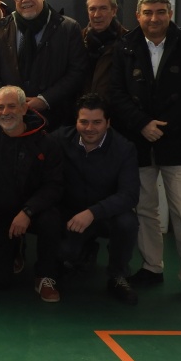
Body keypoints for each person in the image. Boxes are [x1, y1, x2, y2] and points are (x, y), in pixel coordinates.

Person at [109, 0, 181, 306]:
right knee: (145, 209)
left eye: (160, 12)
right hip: (138, 141)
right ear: (138, 16)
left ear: (170, 13)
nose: (154, 18)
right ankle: (152, 267)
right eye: (148, 12)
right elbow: (116, 93)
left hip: (178, 141)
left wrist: (161, 126)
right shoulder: (123, 47)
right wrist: (142, 125)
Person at [0, 85, 67, 301]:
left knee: (52, 219)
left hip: (34, 211)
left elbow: (54, 185)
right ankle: (14, 250)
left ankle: (45, 277)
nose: (5, 112)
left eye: (11, 106)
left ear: (24, 108)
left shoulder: (46, 143)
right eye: (0, 107)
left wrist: (28, 211)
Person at [57, 92, 141, 306]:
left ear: (108, 123)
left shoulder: (125, 149)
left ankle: (117, 276)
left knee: (127, 222)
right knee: (64, 251)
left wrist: (93, 212)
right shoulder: (60, 139)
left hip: (105, 215)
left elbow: (129, 195)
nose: (89, 128)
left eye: (97, 122)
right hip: (71, 214)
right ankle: (81, 252)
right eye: (83, 122)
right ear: (76, 121)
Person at [0, 0, 88, 131]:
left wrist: (45, 100)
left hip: (56, 122)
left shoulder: (68, 28)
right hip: (12, 124)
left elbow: (78, 71)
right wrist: (10, 103)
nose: (25, 0)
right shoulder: (1, 29)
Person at [82, 0, 127, 97]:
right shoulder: (77, 40)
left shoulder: (128, 42)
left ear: (114, 11)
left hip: (114, 112)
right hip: (80, 112)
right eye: (92, 9)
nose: (97, 15)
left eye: (103, 8)